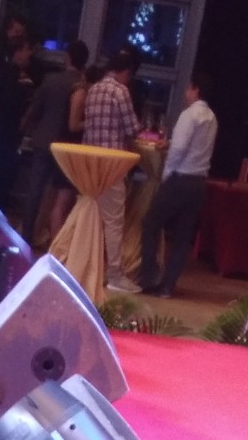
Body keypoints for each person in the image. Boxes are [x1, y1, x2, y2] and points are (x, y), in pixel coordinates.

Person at [140, 73, 217, 298]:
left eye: (188, 88)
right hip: (199, 183)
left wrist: (166, 174)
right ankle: (168, 286)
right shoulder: (212, 117)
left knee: (150, 224)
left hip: (180, 179)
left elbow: (179, 149)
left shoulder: (189, 114)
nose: (186, 92)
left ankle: (148, 278)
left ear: (196, 90)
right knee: (183, 236)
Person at [80, 47, 141, 293]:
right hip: (113, 164)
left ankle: (85, 267)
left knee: (90, 217)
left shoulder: (93, 89)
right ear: (125, 72)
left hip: (90, 164)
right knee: (114, 221)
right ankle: (115, 275)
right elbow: (132, 128)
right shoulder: (120, 91)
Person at [19, 39, 86, 242]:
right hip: (66, 146)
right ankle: (56, 239)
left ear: (67, 58)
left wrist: (27, 128)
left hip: (43, 139)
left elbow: (35, 108)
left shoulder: (50, 80)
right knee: (62, 195)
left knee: (35, 190)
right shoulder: (81, 86)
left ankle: (27, 234)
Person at [0, 31, 33, 209]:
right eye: (26, 49)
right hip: (4, 131)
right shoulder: (10, 75)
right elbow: (10, 102)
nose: (29, 53)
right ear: (17, 52)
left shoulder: (1, 72)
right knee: (1, 175)